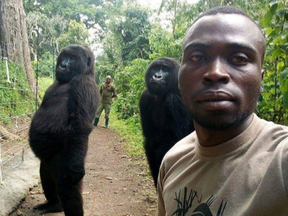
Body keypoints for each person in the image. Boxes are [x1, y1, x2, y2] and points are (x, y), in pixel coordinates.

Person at [157, 6, 288, 216]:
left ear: (261, 79)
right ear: (180, 78)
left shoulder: (281, 159)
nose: (215, 73)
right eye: (197, 57)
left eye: (239, 59)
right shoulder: (173, 161)